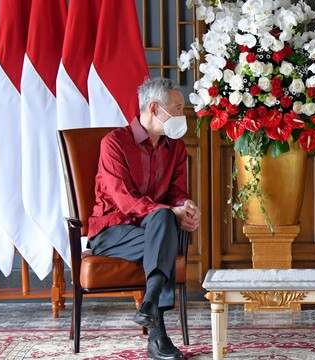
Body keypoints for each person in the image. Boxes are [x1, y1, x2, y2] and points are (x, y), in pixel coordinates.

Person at [88, 77, 200, 360]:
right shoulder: (114, 143)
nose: (182, 115)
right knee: (163, 224)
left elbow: (176, 191)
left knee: (163, 220)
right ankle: (159, 335)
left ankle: (149, 304)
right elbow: (124, 200)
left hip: (152, 230)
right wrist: (167, 211)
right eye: (177, 108)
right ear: (154, 108)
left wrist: (185, 204)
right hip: (112, 231)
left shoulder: (174, 147)